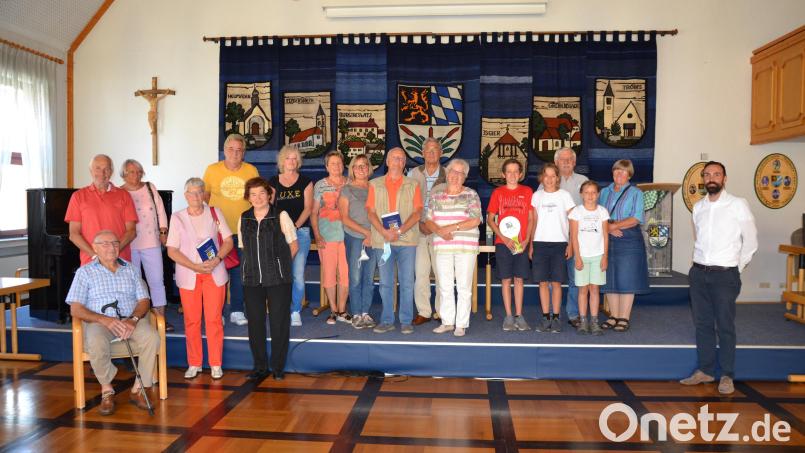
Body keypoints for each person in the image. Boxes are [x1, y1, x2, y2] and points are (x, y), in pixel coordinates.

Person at [680, 161, 757, 395]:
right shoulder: (699, 207)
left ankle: (727, 375)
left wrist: (736, 269)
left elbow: (751, 242)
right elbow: (699, 239)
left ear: (725, 178)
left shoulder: (737, 205)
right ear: (703, 179)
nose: (711, 178)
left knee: (725, 326)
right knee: (702, 324)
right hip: (699, 273)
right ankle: (705, 370)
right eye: (707, 174)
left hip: (725, 275)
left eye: (716, 174)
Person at [66, 230, 159, 416]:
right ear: (95, 248)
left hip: (129, 319)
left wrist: (133, 320)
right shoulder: (85, 272)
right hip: (100, 321)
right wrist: (104, 319)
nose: (112, 247)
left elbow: (144, 301)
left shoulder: (131, 269)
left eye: (115, 243)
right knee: (95, 340)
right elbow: (75, 309)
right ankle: (107, 390)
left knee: (152, 337)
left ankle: (138, 389)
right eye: (105, 244)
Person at [167, 178, 233, 380]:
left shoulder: (215, 212)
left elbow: (228, 241)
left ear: (204, 194)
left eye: (199, 192)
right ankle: (194, 363)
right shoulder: (177, 217)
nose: (196, 197)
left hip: (214, 273)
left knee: (214, 320)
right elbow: (171, 250)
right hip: (189, 275)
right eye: (191, 193)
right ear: (185, 195)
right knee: (192, 321)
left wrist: (218, 259)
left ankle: (215, 364)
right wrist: (194, 266)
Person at [239, 177, 298, 381]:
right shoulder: (244, 218)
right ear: (248, 197)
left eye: (262, 193)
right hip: (252, 280)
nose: (258, 198)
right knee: (255, 323)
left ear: (269, 195)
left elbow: (294, 245)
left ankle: (278, 367)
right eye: (253, 194)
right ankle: (260, 367)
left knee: (278, 323)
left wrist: (280, 266)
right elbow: (244, 248)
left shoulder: (280, 215)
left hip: (279, 280)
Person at [203, 133, 259, 326]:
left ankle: (236, 310)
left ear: (243, 153)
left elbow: (257, 198)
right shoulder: (212, 170)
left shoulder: (251, 170)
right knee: (215, 273)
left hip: (243, 230)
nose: (235, 153)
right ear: (224, 150)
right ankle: (215, 312)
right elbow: (205, 198)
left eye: (239, 150)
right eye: (231, 149)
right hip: (217, 231)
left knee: (239, 272)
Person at [366, 147, 423, 334]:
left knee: (407, 282)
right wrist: (384, 232)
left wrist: (400, 230)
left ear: (404, 163)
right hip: (383, 240)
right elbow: (371, 212)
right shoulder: (374, 184)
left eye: (401, 158)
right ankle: (387, 320)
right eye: (394, 158)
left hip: (406, 240)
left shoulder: (413, 184)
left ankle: (406, 321)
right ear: (388, 161)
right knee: (385, 283)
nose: (397, 161)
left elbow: (417, 213)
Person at [424, 159, 482, 337]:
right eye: (452, 172)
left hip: (466, 247)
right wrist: (439, 231)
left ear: (465, 177)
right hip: (442, 246)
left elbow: (475, 220)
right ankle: (447, 322)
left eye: (460, 173)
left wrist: (450, 228)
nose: (455, 176)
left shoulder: (471, 195)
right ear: (447, 174)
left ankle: (461, 324)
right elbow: (428, 221)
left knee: (464, 287)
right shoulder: (436, 196)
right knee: (444, 285)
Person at [120, 158, 173, 331]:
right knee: (132, 282)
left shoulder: (150, 187)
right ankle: (136, 319)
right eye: (131, 172)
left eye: (138, 171)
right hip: (129, 244)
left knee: (157, 281)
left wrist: (164, 232)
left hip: (152, 241)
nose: (135, 175)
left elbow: (161, 210)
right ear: (124, 174)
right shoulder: (119, 192)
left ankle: (160, 319)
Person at [538, 148, 588, 328]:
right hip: (552, 240)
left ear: (575, 162)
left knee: (576, 278)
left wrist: (573, 241)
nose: (566, 162)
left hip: (578, 239)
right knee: (551, 279)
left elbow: (588, 211)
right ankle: (550, 313)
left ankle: (573, 314)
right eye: (562, 159)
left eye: (569, 159)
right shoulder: (544, 185)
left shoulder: (583, 182)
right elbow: (537, 216)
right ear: (556, 162)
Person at [598, 159, 649, 332]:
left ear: (629, 174)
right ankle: (613, 315)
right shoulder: (604, 192)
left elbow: (636, 218)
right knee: (610, 278)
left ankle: (624, 317)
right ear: (612, 172)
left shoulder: (636, 193)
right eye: (616, 171)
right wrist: (608, 229)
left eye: (623, 171)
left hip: (629, 237)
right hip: (607, 236)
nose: (619, 174)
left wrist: (614, 226)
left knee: (627, 277)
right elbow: (598, 214)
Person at [65, 154, 138, 265]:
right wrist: (95, 256)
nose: (102, 173)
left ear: (111, 171)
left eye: (106, 169)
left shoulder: (124, 195)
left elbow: (131, 231)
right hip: (91, 262)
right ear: (91, 171)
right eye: (97, 168)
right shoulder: (78, 196)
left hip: (120, 261)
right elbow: (74, 234)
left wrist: (114, 252)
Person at [487, 158, 534, 332]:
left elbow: (530, 219)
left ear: (520, 174)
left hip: (520, 244)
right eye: (509, 171)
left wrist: (526, 240)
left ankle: (519, 315)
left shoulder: (528, 191)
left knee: (519, 279)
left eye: (516, 171)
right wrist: (504, 238)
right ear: (503, 174)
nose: (513, 175)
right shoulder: (498, 193)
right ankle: (508, 316)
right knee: (506, 279)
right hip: (503, 244)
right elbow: (490, 219)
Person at [269, 146, 313, 327]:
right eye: (288, 158)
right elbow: (269, 208)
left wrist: (293, 227)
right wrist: (283, 230)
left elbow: (308, 208)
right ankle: (280, 310)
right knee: (279, 274)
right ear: (282, 161)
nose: (292, 161)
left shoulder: (306, 182)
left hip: (300, 233)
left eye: (295, 158)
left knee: (297, 274)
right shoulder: (273, 182)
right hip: (278, 234)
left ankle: (295, 310)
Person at [530, 163, 575, 333]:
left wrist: (570, 244)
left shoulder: (565, 196)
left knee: (556, 283)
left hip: (559, 244)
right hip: (540, 243)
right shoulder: (537, 196)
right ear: (542, 178)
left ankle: (556, 317)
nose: (549, 179)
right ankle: (545, 317)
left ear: (558, 178)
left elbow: (573, 221)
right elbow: (533, 220)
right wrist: (531, 245)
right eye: (546, 175)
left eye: (552, 176)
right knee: (542, 282)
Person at [408, 137, 447, 325]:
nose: (431, 153)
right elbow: (406, 202)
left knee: (441, 273)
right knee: (421, 272)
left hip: (440, 230)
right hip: (418, 228)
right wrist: (419, 224)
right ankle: (423, 311)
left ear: (441, 153)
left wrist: (437, 226)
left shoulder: (449, 174)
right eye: (428, 150)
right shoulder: (413, 173)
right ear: (422, 153)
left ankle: (441, 310)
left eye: (435, 150)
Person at [338, 154, 378, 329]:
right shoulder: (346, 190)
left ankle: (365, 313)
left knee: (368, 278)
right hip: (354, 237)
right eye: (357, 166)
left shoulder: (376, 188)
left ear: (369, 168)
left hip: (374, 238)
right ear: (352, 169)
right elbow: (345, 218)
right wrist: (365, 232)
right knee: (355, 277)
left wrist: (373, 234)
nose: (361, 169)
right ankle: (355, 314)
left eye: (365, 165)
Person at [311, 150, 350, 324]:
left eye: (339, 163)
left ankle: (342, 310)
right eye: (332, 163)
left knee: (346, 273)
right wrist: (317, 235)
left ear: (344, 165)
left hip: (349, 237)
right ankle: (333, 310)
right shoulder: (320, 185)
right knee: (329, 274)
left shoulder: (351, 183)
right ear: (326, 166)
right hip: (327, 237)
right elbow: (313, 213)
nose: (336, 166)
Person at [569, 181, 609, 336]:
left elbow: (605, 236)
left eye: (593, 192)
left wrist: (605, 257)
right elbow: (573, 236)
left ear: (598, 194)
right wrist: (577, 257)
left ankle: (594, 321)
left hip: (598, 256)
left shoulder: (602, 212)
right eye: (587, 192)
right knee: (582, 290)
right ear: (581, 194)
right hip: (582, 257)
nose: (590, 196)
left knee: (594, 289)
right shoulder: (576, 212)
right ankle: (583, 321)